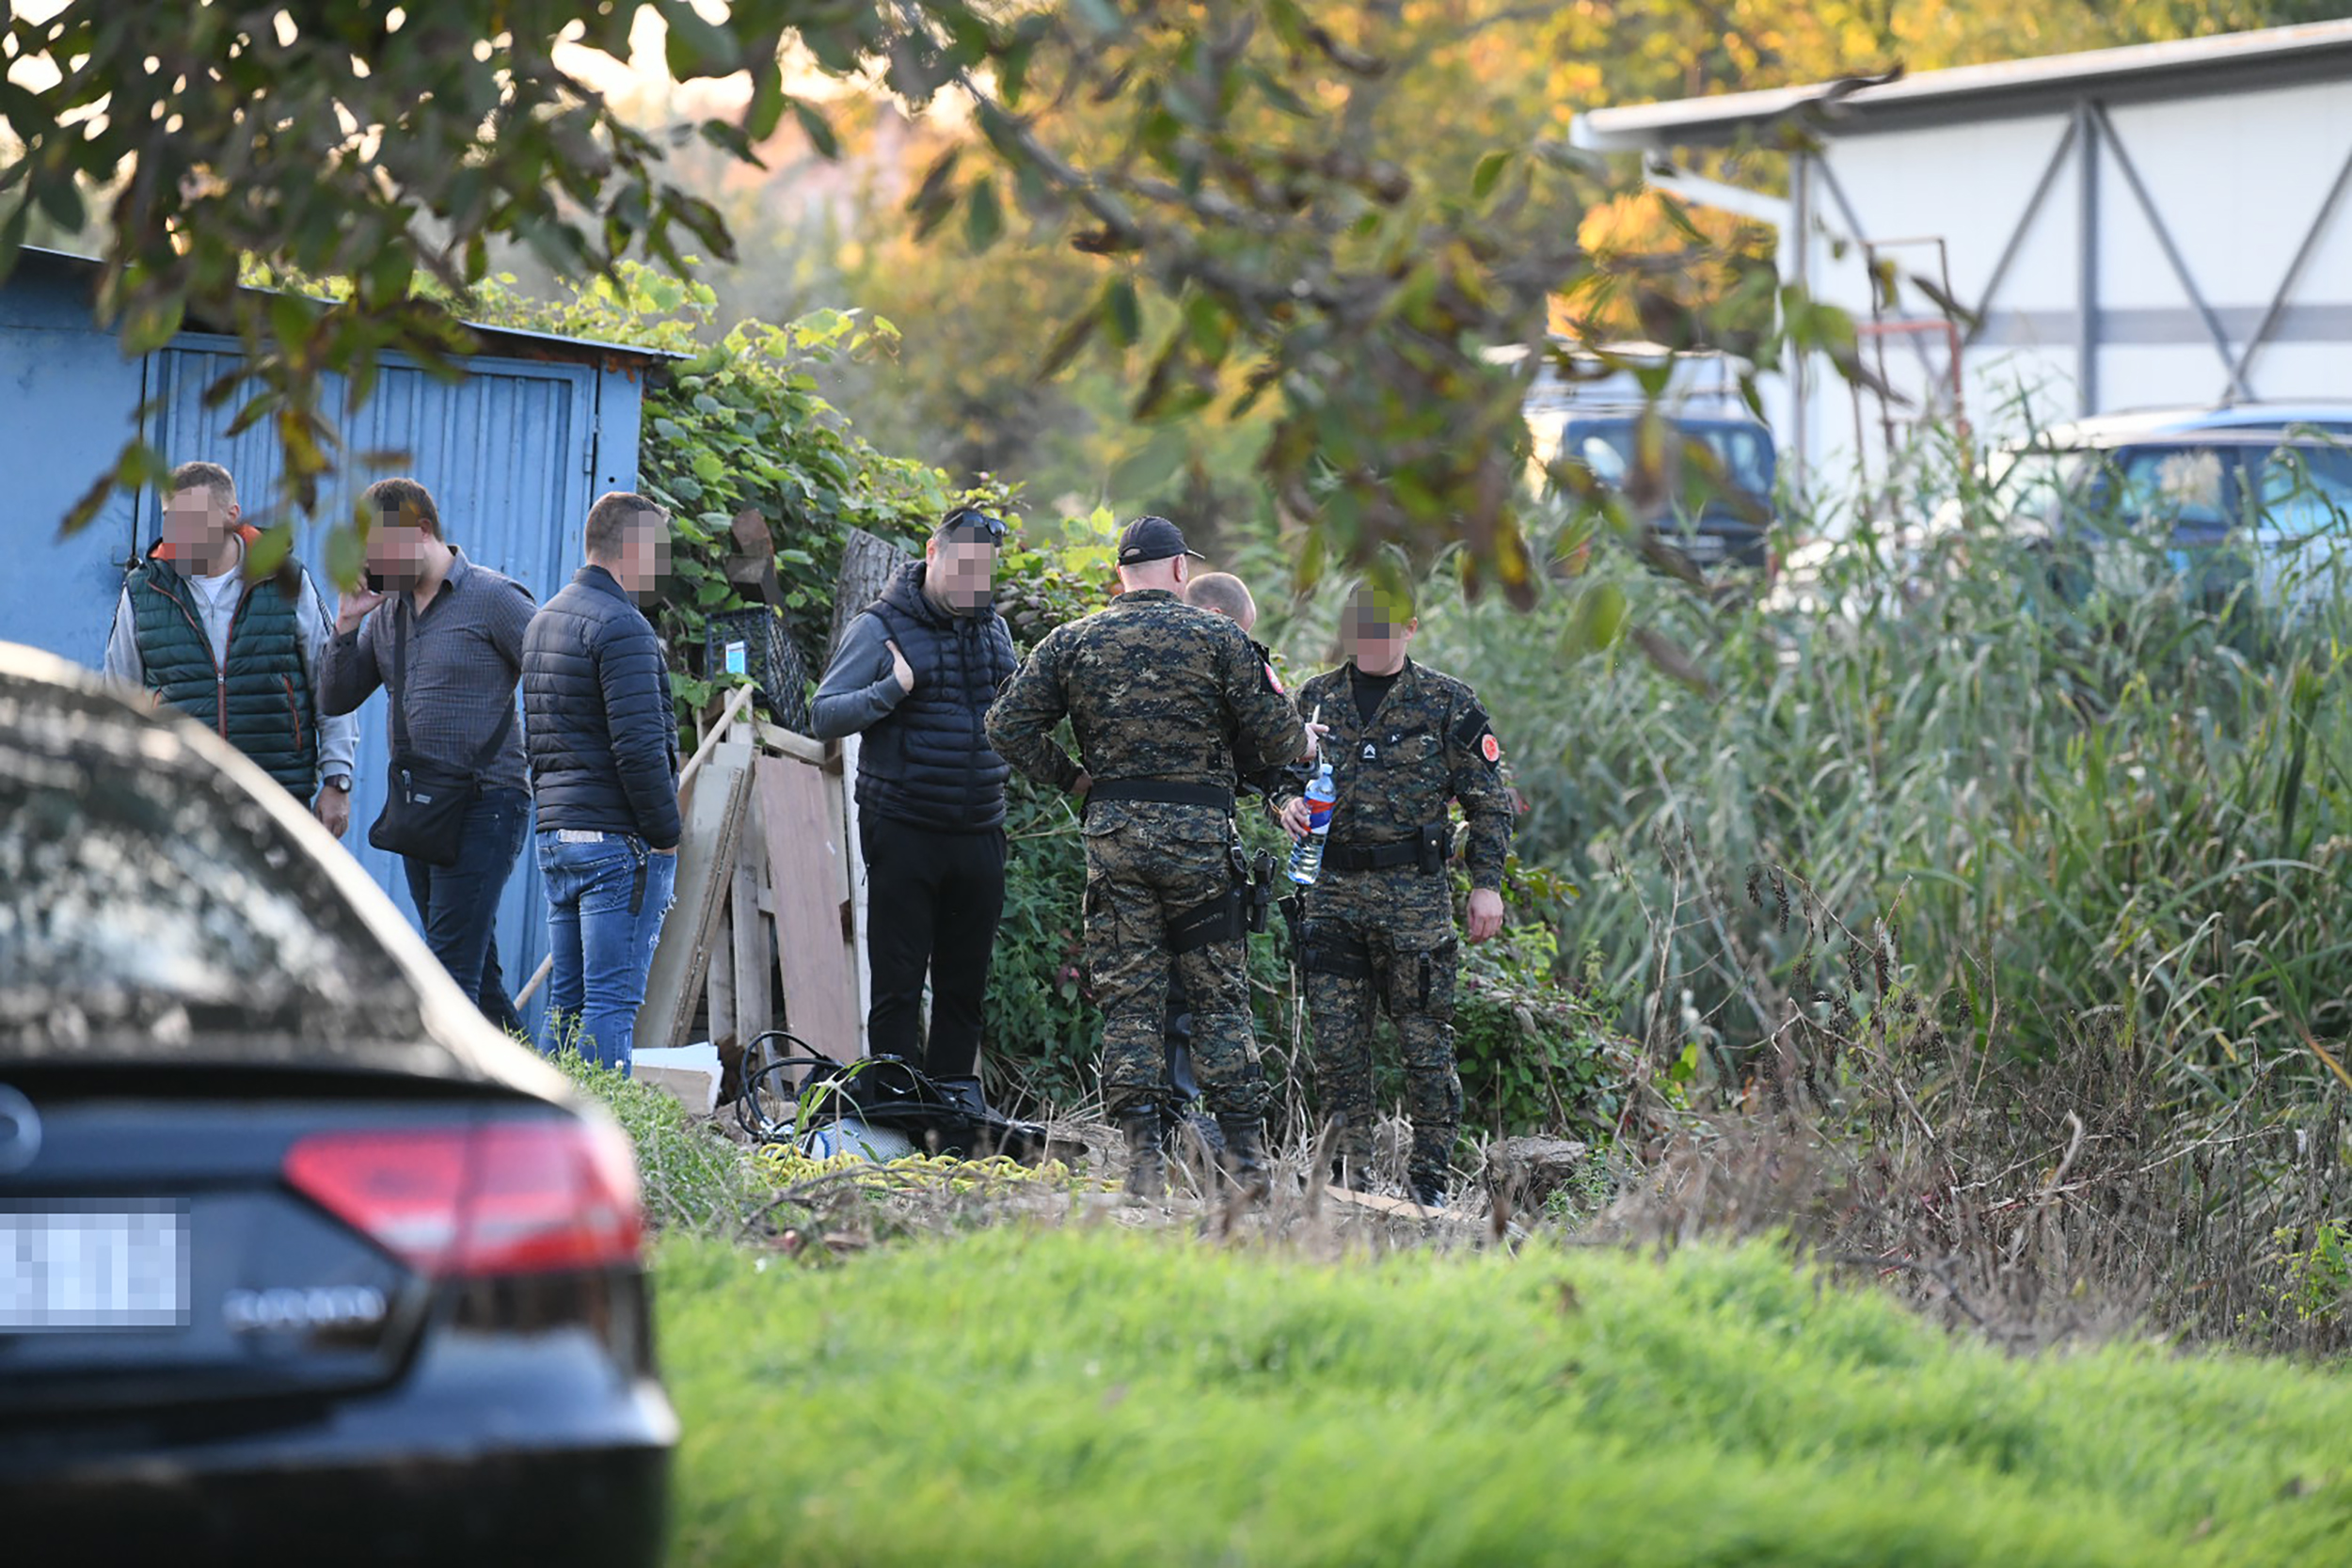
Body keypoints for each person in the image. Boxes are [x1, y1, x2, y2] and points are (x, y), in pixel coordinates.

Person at [987, 515, 1313, 1199]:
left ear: (1120, 573)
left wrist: (1075, 778)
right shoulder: (1221, 637)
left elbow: (1005, 725)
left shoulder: (1070, 640)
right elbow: (1279, 739)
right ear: (1179, 570)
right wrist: (1306, 743)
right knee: (1219, 999)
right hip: (1199, 841)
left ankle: (1142, 1165)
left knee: (1131, 1003)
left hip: (1116, 842)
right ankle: (1248, 1165)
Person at [1274, 583, 1515, 1208]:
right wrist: (1286, 803)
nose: (1369, 639)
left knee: (1424, 1043)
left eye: (1382, 628)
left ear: (1409, 627)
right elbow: (1279, 769)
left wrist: (1486, 885)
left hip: (1414, 898)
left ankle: (1429, 1179)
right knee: (1337, 1046)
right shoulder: (1316, 697)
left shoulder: (1446, 702)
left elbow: (1490, 804)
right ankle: (1348, 1175)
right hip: (1331, 893)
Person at [810, 507, 1021, 1123]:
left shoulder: (994, 631)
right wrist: (890, 689)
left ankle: (954, 1105)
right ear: (933, 552)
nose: (972, 583)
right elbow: (824, 714)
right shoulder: (880, 627)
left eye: (984, 572)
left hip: (980, 827)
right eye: (963, 568)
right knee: (898, 981)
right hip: (903, 826)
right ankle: (895, 1101)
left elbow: (1017, 717)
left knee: (965, 983)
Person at [320, 476, 537, 1033]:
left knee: (446, 970)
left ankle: (447, 1083)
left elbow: (553, 677)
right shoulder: (385, 614)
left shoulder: (494, 598)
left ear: (420, 532)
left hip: (488, 803)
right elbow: (337, 698)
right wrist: (346, 623)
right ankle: (532, 1074)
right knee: (474, 973)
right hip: (419, 808)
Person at [103, 461, 359, 833]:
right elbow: (118, 698)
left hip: (276, 798)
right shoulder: (144, 590)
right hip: (177, 801)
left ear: (231, 515)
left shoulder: (286, 580)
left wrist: (338, 779)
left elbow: (330, 684)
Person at [521, 491, 683, 1074]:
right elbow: (639, 749)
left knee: (566, 1003)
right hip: (616, 844)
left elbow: (535, 739)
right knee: (611, 1002)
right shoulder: (623, 627)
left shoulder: (545, 619)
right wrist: (666, 836)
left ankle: (543, 1122)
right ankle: (603, 1126)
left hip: (558, 838)